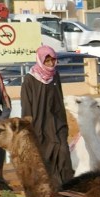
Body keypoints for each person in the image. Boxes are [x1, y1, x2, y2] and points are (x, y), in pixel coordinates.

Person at [20, 44, 71, 187]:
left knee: (63, 150)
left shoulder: (55, 76)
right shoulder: (30, 79)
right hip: (38, 123)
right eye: (47, 61)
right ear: (40, 60)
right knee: (43, 153)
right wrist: (27, 124)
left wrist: (63, 123)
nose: (50, 64)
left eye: (52, 60)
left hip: (56, 122)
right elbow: (26, 103)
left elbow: (59, 99)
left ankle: (66, 185)